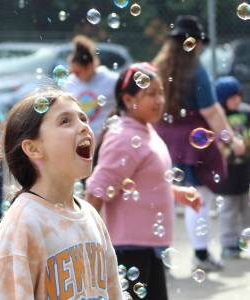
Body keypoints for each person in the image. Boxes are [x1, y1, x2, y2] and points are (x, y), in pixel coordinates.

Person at [86, 63, 201, 300]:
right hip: (128, 250)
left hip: (146, 247)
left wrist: (175, 192)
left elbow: (144, 179)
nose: (159, 100)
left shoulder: (144, 129)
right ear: (128, 100)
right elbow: (97, 190)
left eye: (160, 92)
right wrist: (88, 241)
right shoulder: (124, 137)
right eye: (150, 94)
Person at [0, 88, 123, 299]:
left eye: (83, 118)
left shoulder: (91, 215)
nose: (84, 127)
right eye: (65, 121)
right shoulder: (22, 225)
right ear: (33, 149)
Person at [153, 15, 245, 272]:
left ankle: (159, 257)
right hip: (192, 145)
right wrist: (232, 140)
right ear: (194, 44)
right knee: (198, 199)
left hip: (160, 141)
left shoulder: (157, 67)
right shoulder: (196, 70)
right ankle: (201, 256)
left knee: (163, 198)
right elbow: (212, 112)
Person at [214, 76, 250, 259]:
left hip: (245, 170)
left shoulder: (246, 112)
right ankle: (229, 244)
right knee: (228, 209)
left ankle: (245, 240)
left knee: (246, 207)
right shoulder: (218, 118)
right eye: (231, 97)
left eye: (238, 96)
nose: (237, 100)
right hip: (226, 172)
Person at [64, 35, 119, 141]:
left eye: (78, 72)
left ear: (90, 66)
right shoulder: (70, 83)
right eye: (72, 72)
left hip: (105, 139)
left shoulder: (111, 80)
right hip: (80, 140)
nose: (74, 75)